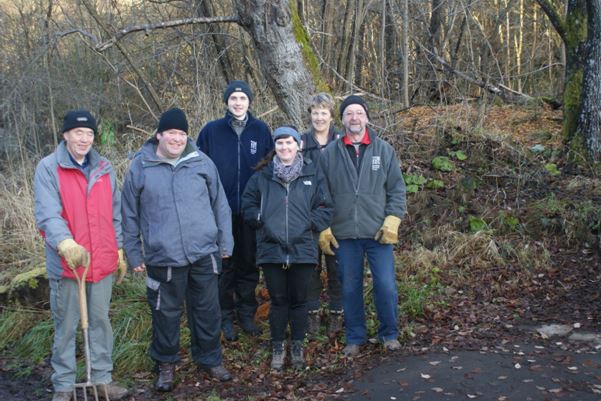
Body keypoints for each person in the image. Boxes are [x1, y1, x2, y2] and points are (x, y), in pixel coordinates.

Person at [121, 108, 234, 391]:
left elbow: (220, 204)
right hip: (163, 255)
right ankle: (166, 364)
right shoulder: (140, 166)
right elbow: (128, 215)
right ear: (159, 135)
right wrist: (133, 253)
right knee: (165, 313)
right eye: (171, 133)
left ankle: (209, 358)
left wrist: (225, 242)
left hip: (203, 252)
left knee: (207, 310)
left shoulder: (201, 162)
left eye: (182, 133)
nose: (177, 138)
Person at [33, 110, 129, 401]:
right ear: (66, 135)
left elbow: (115, 213)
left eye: (89, 134)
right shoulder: (49, 168)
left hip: (101, 261)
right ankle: (63, 385)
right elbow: (47, 213)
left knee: (100, 321)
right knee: (66, 325)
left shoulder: (104, 167)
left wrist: (119, 249)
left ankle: (101, 379)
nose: (84, 139)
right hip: (68, 264)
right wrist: (65, 243)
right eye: (78, 133)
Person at [318, 95, 407, 357]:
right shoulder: (330, 154)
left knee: (386, 285)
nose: (354, 118)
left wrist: (392, 220)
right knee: (349, 287)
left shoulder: (384, 150)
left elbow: (397, 189)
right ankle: (355, 337)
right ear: (342, 119)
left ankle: (389, 334)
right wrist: (324, 226)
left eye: (358, 113)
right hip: (344, 234)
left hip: (378, 233)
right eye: (348, 114)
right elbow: (321, 194)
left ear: (366, 117)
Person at [242, 126, 332, 370]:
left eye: (289, 143)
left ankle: (298, 346)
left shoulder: (312, 173)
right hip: (271, 250)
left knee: (300, 300)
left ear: (298, 145)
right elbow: (247, 204)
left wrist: (308, 225)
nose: (284, 147)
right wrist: (260, 219)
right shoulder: (263, 176)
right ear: (275, 147)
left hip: (303, 248)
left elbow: (325, 207)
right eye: (280, 143)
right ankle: (278, 345)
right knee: (279, 301)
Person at [196, 80, 274, 341]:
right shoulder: (211, 131)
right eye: (233, 98)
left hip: (251, 211)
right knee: (225, 265)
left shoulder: (260, 130)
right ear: (227, 102)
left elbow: (270, 167)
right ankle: (224, 317)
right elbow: (198, 168)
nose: (238, 102)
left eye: (242, 98)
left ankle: (246, 315)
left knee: (249, 265)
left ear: (250, 102)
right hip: (220, 211)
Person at [301, 93, 344, 337]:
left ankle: (337, 313)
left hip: (337, 215)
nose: (319, 117)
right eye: (315, 112)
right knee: (309, 269)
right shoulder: (301, 141)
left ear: (331, 115)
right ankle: (313, 314)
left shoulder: (340, 141)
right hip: (309, 215)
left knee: (337, 268)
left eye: (323, 112)